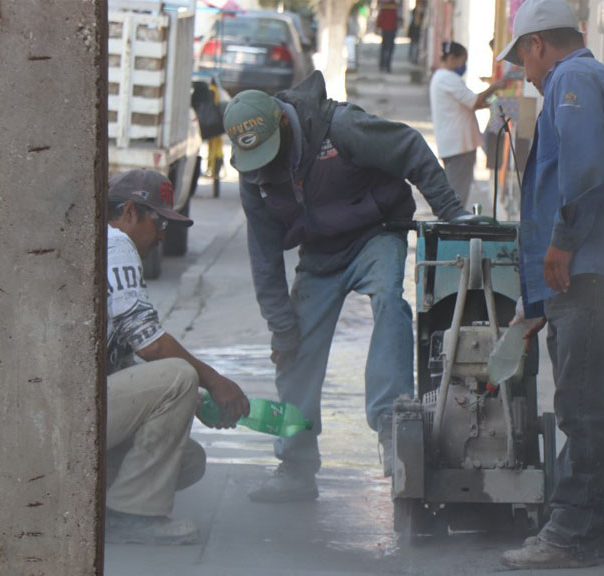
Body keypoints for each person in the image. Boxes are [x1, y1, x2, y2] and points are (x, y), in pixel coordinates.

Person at [223, 72, 468, 502]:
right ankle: (296, 467)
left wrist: (451, 212)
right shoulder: (254, 171)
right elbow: (264, 257)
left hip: (375, 233)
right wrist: (281, 327)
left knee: (390, 301)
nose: (265, 168)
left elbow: (410, 146)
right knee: (294, 349)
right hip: (319, 252)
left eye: (268, 154)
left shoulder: (342, 128)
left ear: (282, 123)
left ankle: (393, 422)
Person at [495, 0, 604, 569]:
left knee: (583, 408)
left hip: (593, 273)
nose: (525, 74)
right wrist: (537, 302)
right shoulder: (579, 79)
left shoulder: (575, 78)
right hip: (584, 277)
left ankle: (572, 534)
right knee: (580, 404)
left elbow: (586, 172)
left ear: (538, 44)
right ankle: (579, 525)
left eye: (523, 60)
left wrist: (562, 245)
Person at [104, 169, 250, 545]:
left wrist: (193, 401)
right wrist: (213, 381)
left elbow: (123, 363)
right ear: (131, 212)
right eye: (159, 223)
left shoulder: (104, 243)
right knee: (180, 375)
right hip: (68, 409)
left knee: (188, 459)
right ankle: (132, 516)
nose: (162, 236)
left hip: (77, 404)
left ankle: (98, 505)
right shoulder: (116, 243)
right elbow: (149, 343)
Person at [428, 41, 508, 207]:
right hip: (458, 146)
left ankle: (450, 227)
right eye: (462, 61)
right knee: (456, 197)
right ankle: (451, 229)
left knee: (456, 193)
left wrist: (493, 98)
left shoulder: (442, 78)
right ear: (451, 58)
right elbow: (474, 102)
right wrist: (495, 86)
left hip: (456, 144)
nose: (463, 65)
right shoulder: (447, 78)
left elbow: (475, 103)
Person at [376, 0, 399, 73]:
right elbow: (396, 20)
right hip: (391, 30)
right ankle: (387, 66)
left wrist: (378, 27)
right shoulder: (394, 7)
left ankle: (382, 65)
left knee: (384, 48)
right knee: (390, 48)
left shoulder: (383, 7)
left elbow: (380, 18)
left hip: (385, 30)